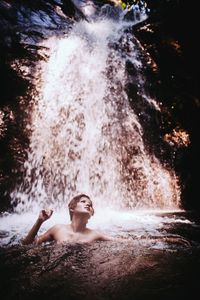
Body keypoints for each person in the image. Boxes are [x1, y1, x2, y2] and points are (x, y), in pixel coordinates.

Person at [22, 194, 113, 245]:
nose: (88, 205)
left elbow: (122, 242)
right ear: (71, 208)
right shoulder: (58, 229)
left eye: (91, 205)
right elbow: (28, 244)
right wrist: (39, 221)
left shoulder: (95, 235)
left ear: (92, 213)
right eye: (83, 202)